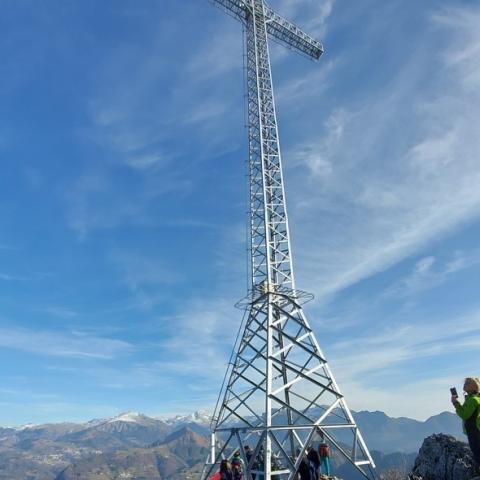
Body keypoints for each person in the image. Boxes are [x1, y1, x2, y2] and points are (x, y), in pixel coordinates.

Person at [451, 377, 480, 475]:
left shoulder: (472, 400)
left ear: (472, 386)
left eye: (467, 383)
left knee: (477, 451)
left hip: (474, 430)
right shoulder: (475, 398)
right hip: (476, 429)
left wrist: (455, 403)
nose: (464, 384)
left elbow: (464, 414)